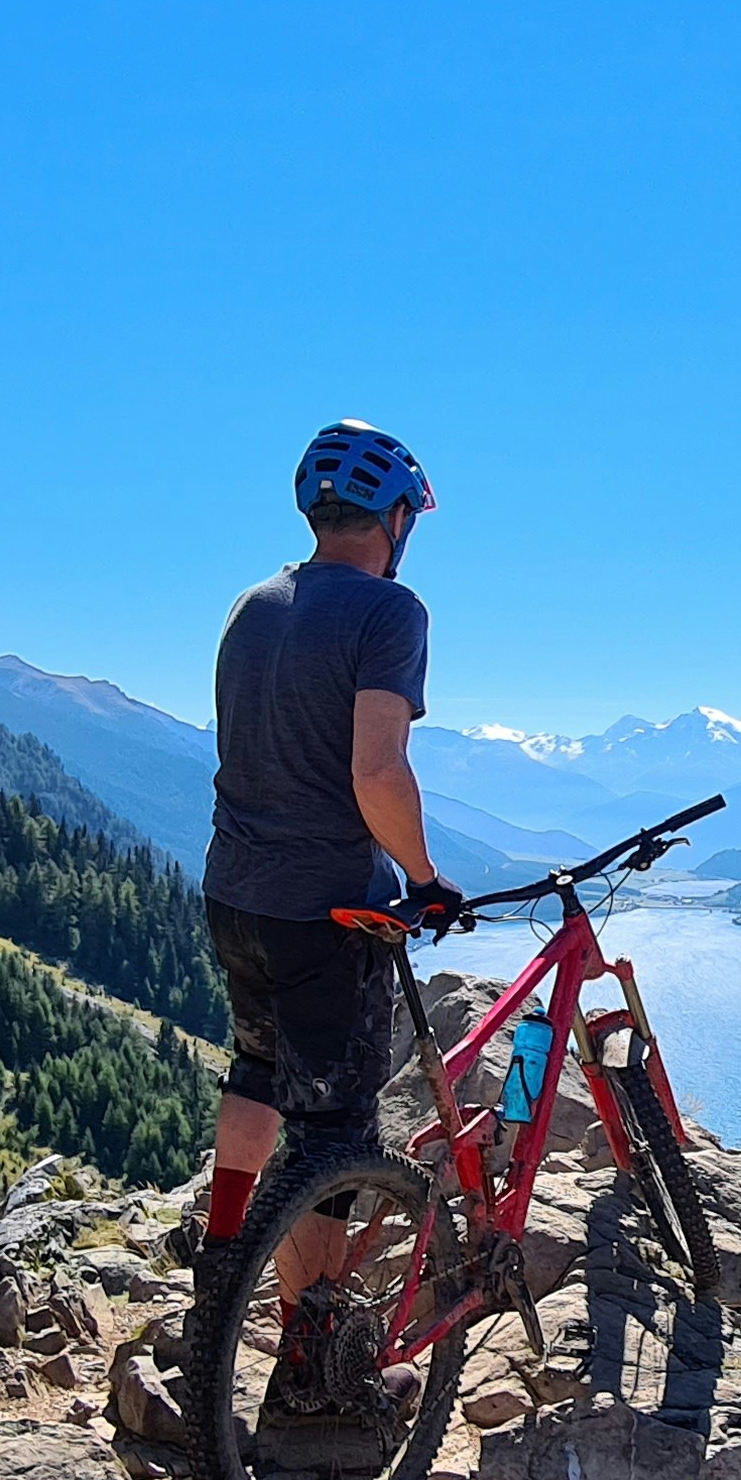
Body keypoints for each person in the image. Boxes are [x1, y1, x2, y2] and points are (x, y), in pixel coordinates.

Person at [198, 420, 461, 1269]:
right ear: (395, 519)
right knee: (335, 1134)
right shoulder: (390, 610)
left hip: (235, 892)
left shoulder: (253, 604)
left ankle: (224, 1254)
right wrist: (424, 879)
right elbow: (377, 773)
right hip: (327, 908)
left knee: (257, 1069)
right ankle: (311, 1363)